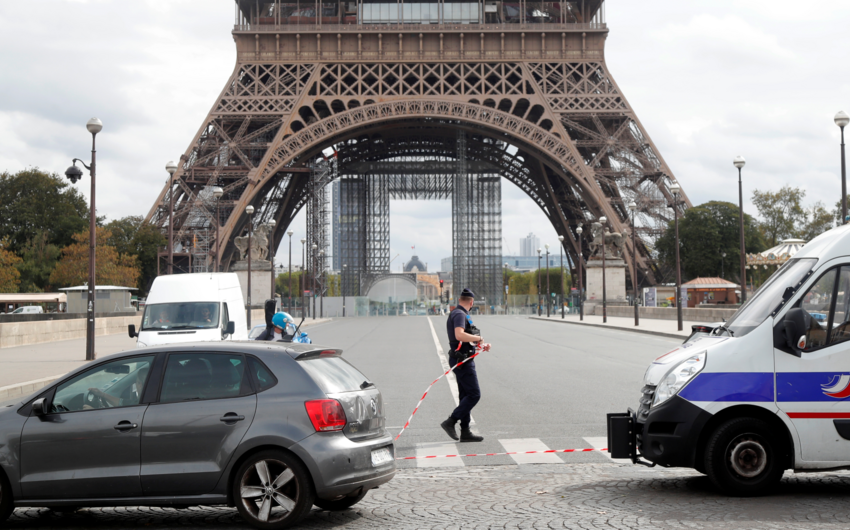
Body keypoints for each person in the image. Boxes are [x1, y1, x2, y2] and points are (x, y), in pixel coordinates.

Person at [440, 288, 491, 443]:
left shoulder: (458, 313)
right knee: (474, 394)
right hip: (463, 361)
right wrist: (479, 337)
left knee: (465, 395)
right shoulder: (460, 314)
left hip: (462, 358)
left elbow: (463, 339)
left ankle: (465, 431)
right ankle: (451, 421)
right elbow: (459, 335)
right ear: (471, 302)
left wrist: (481, 343)